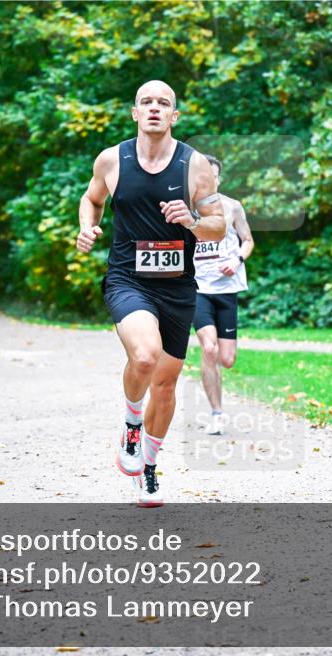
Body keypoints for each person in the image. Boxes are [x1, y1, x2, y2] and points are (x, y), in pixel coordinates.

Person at [76, 80, 226, 508]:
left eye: (164, 103)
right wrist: (87, 227)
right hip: (129, 278)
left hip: (178, 286)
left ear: (174, 116)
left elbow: (219, 225)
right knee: (145, 356)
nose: (155, 108)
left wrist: (192, 220)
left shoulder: (195, 165)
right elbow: (92, 200)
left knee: (166, 383)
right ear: (135, 113)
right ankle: (130, 423)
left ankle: (149, 469)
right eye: (147, 102)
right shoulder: (112, 159)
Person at [192, 155, 254, 435]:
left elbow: (249, 241)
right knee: (209, 348)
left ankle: (212, 371)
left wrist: (238, 259)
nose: (208, 181)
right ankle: (217, 413)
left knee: (226, 359)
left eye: (213, 176)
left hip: (226, 289)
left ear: (219, 179)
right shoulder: (185, 209)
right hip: (197, 289)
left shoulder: (232, 207)